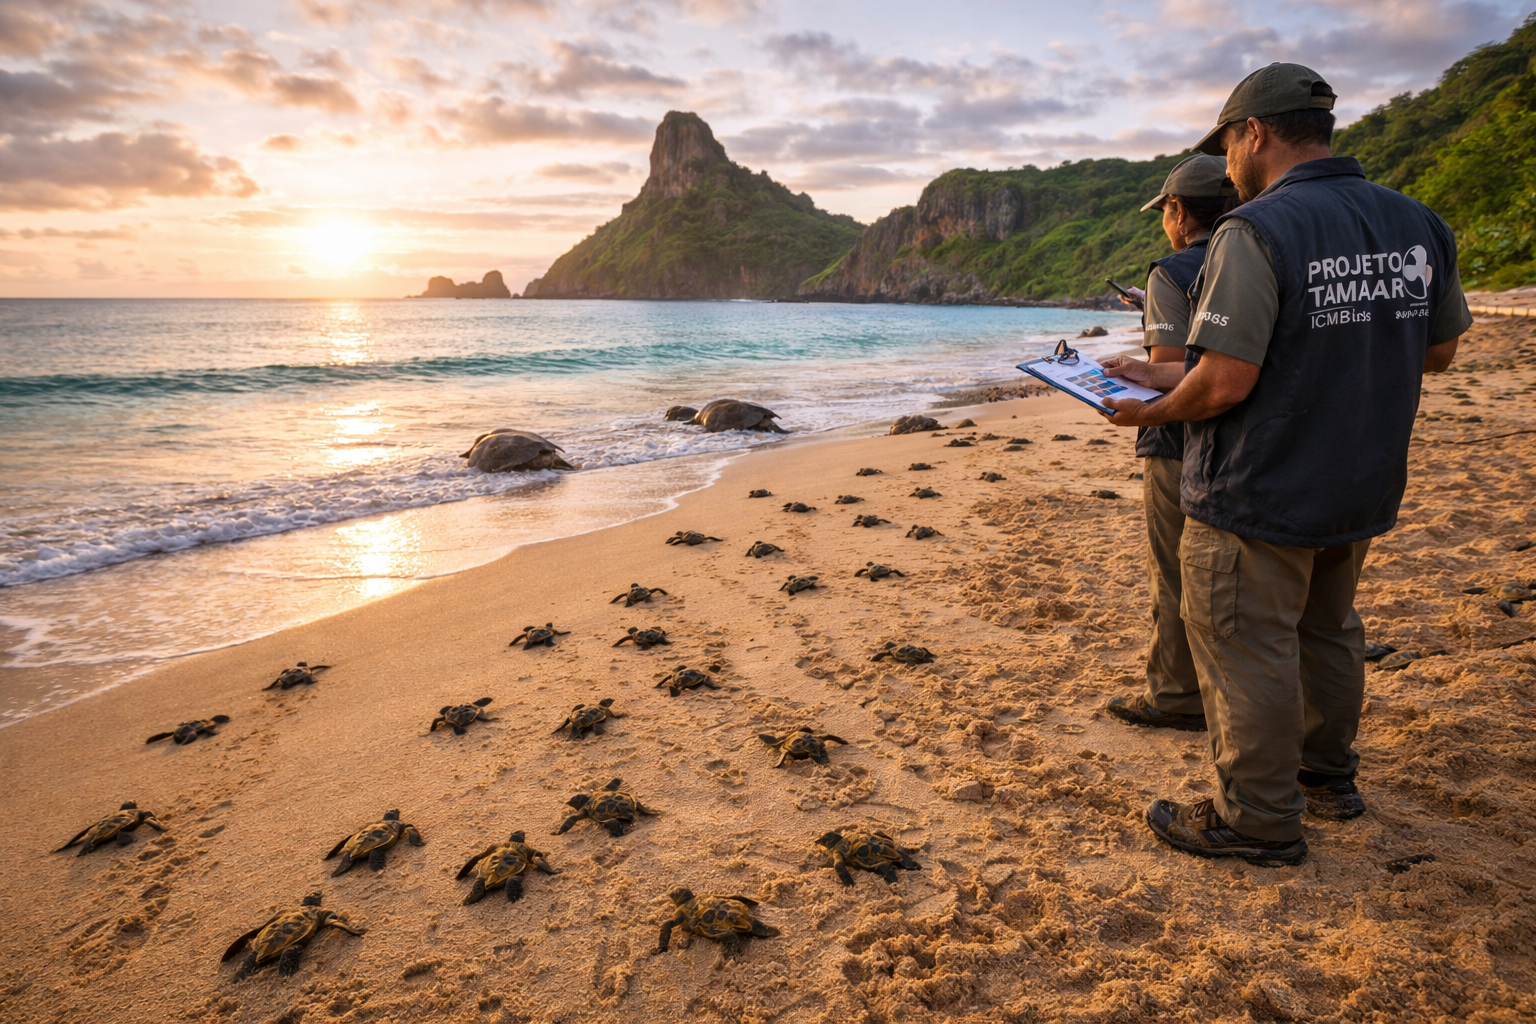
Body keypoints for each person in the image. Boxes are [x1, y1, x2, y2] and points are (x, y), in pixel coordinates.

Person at [1099, 62, 1470, 866]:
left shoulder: (1257, 229)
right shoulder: (1415, 220)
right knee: (1328, 628)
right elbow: (1436, 349)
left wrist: (1150, 409)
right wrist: (1165, 371)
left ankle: (1259, 819)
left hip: (1264, 483)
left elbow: (1227, 381)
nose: (1228, 163)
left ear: (1253, 134)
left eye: (1228, 142)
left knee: (1244, 638)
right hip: (1360, 475)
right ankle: (1326, 776)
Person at [1104, 154, 1238, 734]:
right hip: (1243, 437)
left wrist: (1131, 369)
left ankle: (1176, 696)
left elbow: (1170, 368)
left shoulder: (1172, 271)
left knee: (1174, 571)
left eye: (1165, 210)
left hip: (1178, 438)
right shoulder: (1250, 256)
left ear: (1177, 210)